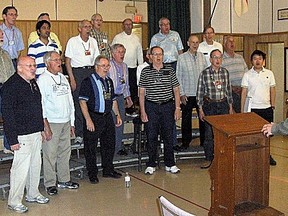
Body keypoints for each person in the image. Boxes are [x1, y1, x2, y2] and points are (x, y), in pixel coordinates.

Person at [2, 56, 49, 213]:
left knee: (36, 165)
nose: (33, 68)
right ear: (19, 68)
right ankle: (14, 201)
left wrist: (41, 128)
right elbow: (7, 114)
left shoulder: (33, 83)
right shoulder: (10, 86)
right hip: (21, 135)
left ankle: (33, 193)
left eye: (34, 65)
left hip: (35, 131)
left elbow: (38, 108)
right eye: (29, 65)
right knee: (20, 169)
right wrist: (12, 138)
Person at [37, 51, 79, 196]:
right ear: (48, 63)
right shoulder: (42, 80)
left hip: (65, 121)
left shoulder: (62, 77)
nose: (59, 62)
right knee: (50, 154)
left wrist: (72, 122)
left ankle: (64, 179)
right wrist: (45, 125)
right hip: (52, 122)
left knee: (65, 153)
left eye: (59, 60)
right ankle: (50, 183)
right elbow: (41, 104)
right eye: (55, 60)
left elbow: (70, 101)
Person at [79, 55, 122, 184]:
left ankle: (108, 169)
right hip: (94, 116)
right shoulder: (88, 81)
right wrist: (88, 120)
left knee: (109, 144)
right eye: (103, 66)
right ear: (96, 67)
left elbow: (113, 99)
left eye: (107, 66)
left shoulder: (109, 81)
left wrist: (118, 115)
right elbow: (82, 101)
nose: (106, 68)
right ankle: (92, 173)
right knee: (91, 147)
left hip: (107, 116)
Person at [139, 46, 181, 175]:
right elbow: (141, 93)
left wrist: (177, 108)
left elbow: (176, 90)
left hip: (167, 106)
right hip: (151, 107)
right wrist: (143, 111)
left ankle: (170, 163)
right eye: (155, 54)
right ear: (150, 56)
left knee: (168, 136)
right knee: (151, 136)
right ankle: (151, 164)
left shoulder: (169, 70)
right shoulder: (145, 71)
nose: (158, 57)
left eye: (160, 54)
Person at [196, 49, 233, 169]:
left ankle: (222, 157)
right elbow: (200, 92)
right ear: (211, 59)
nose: (218, 60)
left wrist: (230, 106)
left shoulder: (225, 72)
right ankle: (209, 158)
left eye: (220, 57)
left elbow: (228, 90)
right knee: (209, 133)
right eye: (215, 57)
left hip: (223, 105)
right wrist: (200, 109)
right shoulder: (205, 73)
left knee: (223, 133)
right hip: (209, 105)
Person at [65, 20, 100, 144]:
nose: (88, 29)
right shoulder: (72, 41)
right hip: (78, 73)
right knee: (79, 102)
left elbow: (97, 60)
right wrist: (72, 78)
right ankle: (79, 133)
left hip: (91, 71)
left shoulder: (93, 41)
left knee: (91, 102)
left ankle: (91, 130)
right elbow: (67, 61)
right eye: (85, 27)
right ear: (79, 28)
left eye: (89, 27)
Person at [241, 49, 277, 166]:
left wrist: (273, 104)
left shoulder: (269, 74)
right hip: (253, 109)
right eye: (255, 58)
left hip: (267, 108)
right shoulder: (247, 75)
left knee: (267, 134)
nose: (257, 61)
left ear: (263, 61)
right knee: (253, 134)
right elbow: (244, 92)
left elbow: (272, 89)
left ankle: (267, 155)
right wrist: (243, 110)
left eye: (260, 59)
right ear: (251, 61)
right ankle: (254, 156)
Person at [175, 34, 207, 150]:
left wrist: (205, 91)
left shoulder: (202, 57)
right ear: (188, 43)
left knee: (203, 119)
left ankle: (204, 142)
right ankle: (185, 143)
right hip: (187, 94)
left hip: (200, 94)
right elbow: (178, 77)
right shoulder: (181, 57)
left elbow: (205, 76)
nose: (195, 45)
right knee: (186, 120)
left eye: (197, 42)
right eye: (192, 42)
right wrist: (181, 94)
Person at [112, 18, 143, 116]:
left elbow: (139, 53)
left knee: (132, 88)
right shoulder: (118, 37)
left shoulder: (136, 38)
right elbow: (113, 51)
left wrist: (141, 66)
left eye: (130, 24)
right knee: (121, 87)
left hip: (133, 67)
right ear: (123, 26)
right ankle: (121, 109)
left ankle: (131, 109)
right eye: (126, 24)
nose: (128, 26)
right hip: (120, 67)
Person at [108, 43, 133, 156]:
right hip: (110, 98)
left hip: (120, 97)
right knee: (111, 123)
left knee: (120, 123)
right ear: (113, 54)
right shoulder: (108, 65)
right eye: (119, 52)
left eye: (123, 52)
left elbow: (126, 83)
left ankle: (118, 147)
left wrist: (128, 97)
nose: (122, 54)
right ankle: (110, 147)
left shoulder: (124, 66)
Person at [222, 35, 248, 113]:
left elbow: (247, 74)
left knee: (243, 116)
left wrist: (243, 86)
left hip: (242, 91)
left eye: (233, 41)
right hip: (230, 93)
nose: (232, 43)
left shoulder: (240, 58)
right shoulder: (221, 59)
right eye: (230, 41)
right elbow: (220, 78)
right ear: (224, 44)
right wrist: (231, 87)